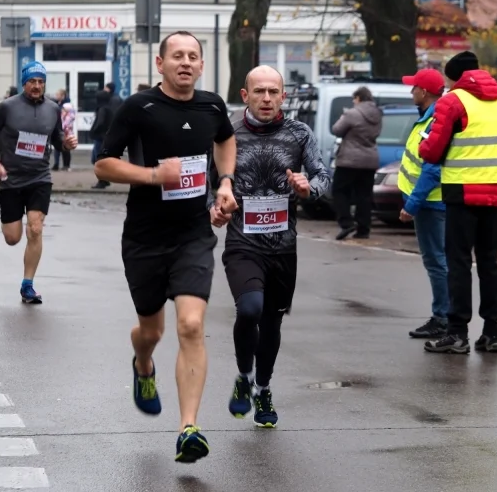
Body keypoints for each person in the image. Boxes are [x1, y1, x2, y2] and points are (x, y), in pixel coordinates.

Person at [93, 31, 238, 463]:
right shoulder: (140, 107)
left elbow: (225, 139)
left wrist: (225, 182)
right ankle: (143, 365)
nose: (186, 62)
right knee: (152, 332)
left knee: (191, 325)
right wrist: (154, 176)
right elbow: (103, 162)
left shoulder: (212, 105)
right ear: (160, 64)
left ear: (201, 65)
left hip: (193, 235)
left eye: (193, 56)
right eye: (177, 56)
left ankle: (188, 428)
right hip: (144, 237)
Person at [209, 65, 330, 428]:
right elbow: (205, 181)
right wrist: (214, 209)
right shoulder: (226, 133)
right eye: (259, 91)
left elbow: (324, 175)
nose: (266, 98)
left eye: (273, 92)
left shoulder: (299, 133)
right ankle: (243, 376)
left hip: (283, 247)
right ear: (245, 95)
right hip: (243, 243)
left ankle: (262, 388)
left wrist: (309, 189)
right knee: (249, 309)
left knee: (271, 322)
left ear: (283, 96)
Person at [418, 51, 497, 354]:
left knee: (459, 264)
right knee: (489, 264)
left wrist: (423, 141)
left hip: (461, 192)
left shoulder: (453, 102)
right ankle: (492, 332)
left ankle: (457, 333)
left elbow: (432, 151)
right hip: (494, 192)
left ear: (453, 77)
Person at [0, 61, 78, 304]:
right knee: (13, 237)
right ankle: (13, 231)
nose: (37, 86)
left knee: (35, 228)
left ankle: (28, 285)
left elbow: (56, 139)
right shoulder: (7, 107)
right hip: (11, 180)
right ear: (24, 83)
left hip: (39, 178)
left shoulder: (53, 109)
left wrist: (66, 144)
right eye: (32, 81)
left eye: (41, 82)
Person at [398, 69, 450, 339]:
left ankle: (443, 317)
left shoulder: (434, 121)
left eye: (414, 87)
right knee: (437, 260)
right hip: (428, 203)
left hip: (431, 204)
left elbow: (431, 170)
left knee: (436, 261)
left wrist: (412, 205)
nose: (411, 91)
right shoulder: (428, 118)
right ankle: (444, 314)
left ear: (426, 92)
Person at [330, 86, 383, 240]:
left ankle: (346, 222)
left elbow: (337, 130)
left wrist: (343, 116)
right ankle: (363, 229)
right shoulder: (377, 114)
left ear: (358, 98)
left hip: (349, 160)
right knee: (364, 195)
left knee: (339, 191)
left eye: (354, 99)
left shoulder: (352, 113)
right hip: (370, 159)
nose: (353, 102)